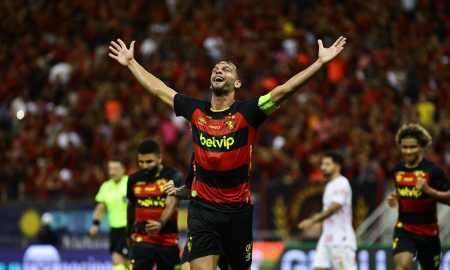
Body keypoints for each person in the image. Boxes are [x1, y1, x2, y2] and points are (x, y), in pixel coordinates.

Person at [109, 35, 346, 270]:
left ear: (237, 83)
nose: (219, 70)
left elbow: (284, 90)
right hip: (203, 209)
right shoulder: (196, 110)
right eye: (216, 68)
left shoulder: (249, 111)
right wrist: (131, 63)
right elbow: (159, 90)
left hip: (237, 213)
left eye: (227, 69)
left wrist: (319, 63)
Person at [387, 123, 450, 270]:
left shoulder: (433, 170)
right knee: (401, 267)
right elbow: (402, 191)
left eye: (412, 147)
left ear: (421, 147)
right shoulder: (397, 169)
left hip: (428, 231)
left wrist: (429, 191)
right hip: (404, 228)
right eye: (404, 147)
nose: (408, 151)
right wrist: (394, 198)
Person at [163, 156, 229, 270]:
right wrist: (176, 191)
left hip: (227, 226)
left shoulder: (231, 153)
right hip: (200, 226)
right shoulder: (197, 155)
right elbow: (189, 189)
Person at [127, 138, 183, 270]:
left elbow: (172, 203)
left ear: (160, 158)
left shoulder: (173, 176)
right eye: (141, 162)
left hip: (168, 241)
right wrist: (128, 232)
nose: (144, 166)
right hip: (142, 240)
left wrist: (161, 223)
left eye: (149, 162)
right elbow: (130, 207)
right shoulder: (133, 179)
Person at [297, 151, 357, 270]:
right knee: (318, 267)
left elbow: (334, 208)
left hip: (341, 239)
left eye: (327, 164)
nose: (323, 167)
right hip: (327, 237)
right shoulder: (330, 185)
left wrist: (312, 221)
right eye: (322, 164)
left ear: (337, 165)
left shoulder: (342, 183)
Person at [90, 157, 129, 270]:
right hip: (115, 229)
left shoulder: (130, 182)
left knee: (126, 260)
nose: (112, 172)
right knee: (117, 259)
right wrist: (95, 224)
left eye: (116, 169)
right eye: (110, 169)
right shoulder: (105, 186)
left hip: (130, 228)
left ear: (123, 169)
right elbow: (100, 207)